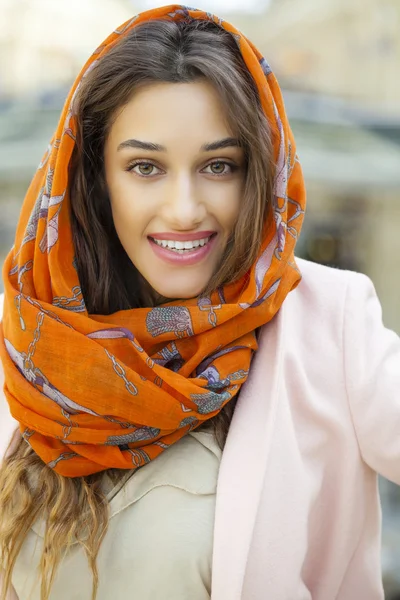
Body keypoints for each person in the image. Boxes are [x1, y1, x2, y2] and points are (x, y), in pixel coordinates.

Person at [0, 5, 399, 600]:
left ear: (258, 172)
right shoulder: (30, 334)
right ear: (95, 177)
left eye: (219, 166)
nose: (185, 209)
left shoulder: (329, 323)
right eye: (145, 167)